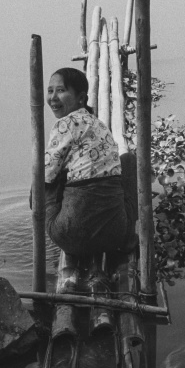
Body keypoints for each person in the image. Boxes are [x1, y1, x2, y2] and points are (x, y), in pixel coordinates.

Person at [42, 66, 137, 257]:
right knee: (128, 160)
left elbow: (45, 177)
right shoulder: (98, 124)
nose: (52, 98)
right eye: (50, 90)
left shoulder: (65, 124)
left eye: (60, 91)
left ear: (81, 97)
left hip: (71, 235)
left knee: (45, 179)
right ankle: (128, 236)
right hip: (115, 235)